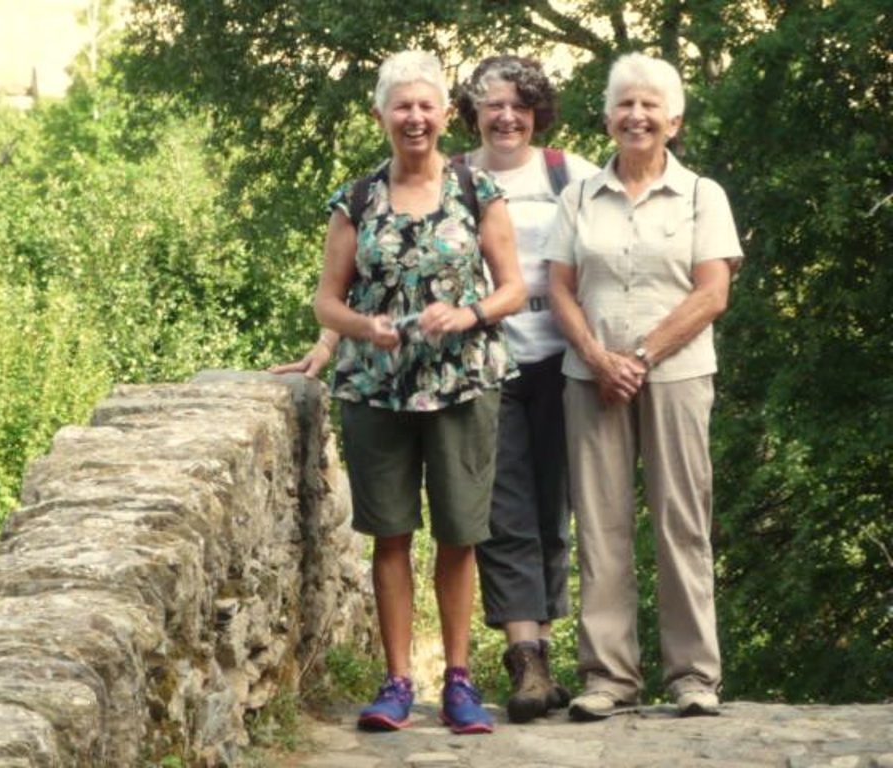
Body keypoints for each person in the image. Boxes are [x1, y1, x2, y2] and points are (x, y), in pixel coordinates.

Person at [310, 50, 525, 734]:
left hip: (463, 383)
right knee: (391, 534)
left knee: (460, 535)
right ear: (380, 116)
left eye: (426, 105)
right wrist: (364, 328)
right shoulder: (356, 199)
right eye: (401, 106)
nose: (415, 118)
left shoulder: (477, 193)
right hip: (376, 389)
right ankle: (397, 680)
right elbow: (327, 303)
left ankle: (459, 682)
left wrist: (470, 314)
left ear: (443, 115)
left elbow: (515, 287)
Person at [547, 52, 743, 721]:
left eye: (649, 105)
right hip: (590, 379)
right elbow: (559, 289)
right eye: (625, 105)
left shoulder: (701, 195)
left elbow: (713, 291)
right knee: (600, 527)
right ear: (607, 118)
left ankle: (693, 678)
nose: (637, 116)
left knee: (682, 522)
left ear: (674, 119)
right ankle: (608, 678)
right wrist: (601, 360)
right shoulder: (577, 196)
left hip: (679, 376)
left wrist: (639, 355)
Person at [453, 55, 598, 724]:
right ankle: (527, 663)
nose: (507, 116)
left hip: (569, 363)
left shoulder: (573, 175)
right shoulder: (452, 179)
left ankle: (554, 649)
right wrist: (330, 341)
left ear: (538, 111)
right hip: (487, 365)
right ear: (474, 114)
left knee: (557, 507)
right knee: (502, 508)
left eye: (519, 103)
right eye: (493, 105)